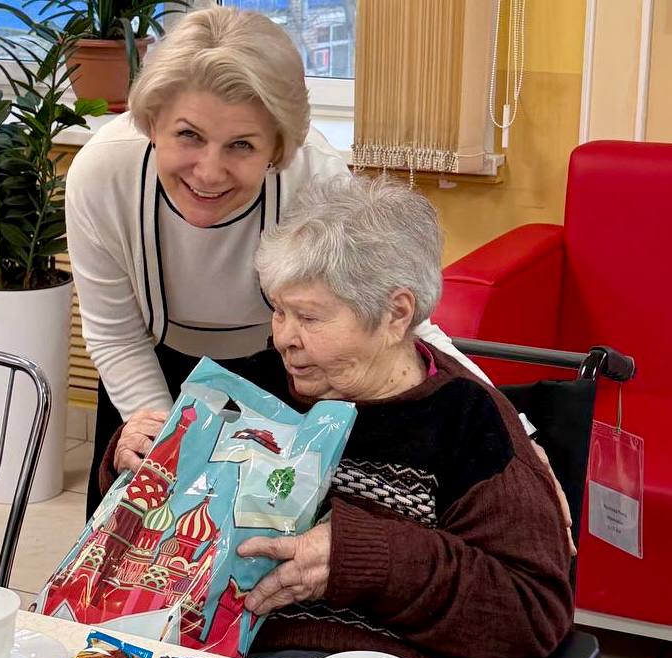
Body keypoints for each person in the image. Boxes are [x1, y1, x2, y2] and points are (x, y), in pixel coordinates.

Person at [101, 176, 574, 658]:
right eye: (279, 310)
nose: (284, 337)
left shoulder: (470, 424)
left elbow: (531, 616)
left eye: (309, 317)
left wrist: (363, 560)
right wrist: (136, 460)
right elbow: (155, 537)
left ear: (396, 314)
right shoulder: (252, 389)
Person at [66, 5, 486, 520]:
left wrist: (518, 438)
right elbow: (116, 335)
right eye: (188, 135)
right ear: (153, 123)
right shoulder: (102, 174)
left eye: (241, 145)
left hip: (285, 383)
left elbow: (401, 321)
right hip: (146, 376)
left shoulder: (317, 180)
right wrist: (172, 443)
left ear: (278, 147)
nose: (209, 172)